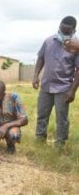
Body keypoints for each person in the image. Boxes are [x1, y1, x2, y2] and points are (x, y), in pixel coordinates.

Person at [32, 16, 79, 147]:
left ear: (73, 31)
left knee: (62, 119)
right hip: (46, 86)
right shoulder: (48, 41)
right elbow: (40, 58)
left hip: (63, 89)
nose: (62, 33)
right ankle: (40, 139)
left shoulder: (76, 46)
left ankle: (60, 144)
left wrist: (72, 91)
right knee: (42, 115)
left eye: (66, 31)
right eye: (61, 29)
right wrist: (35, 76)